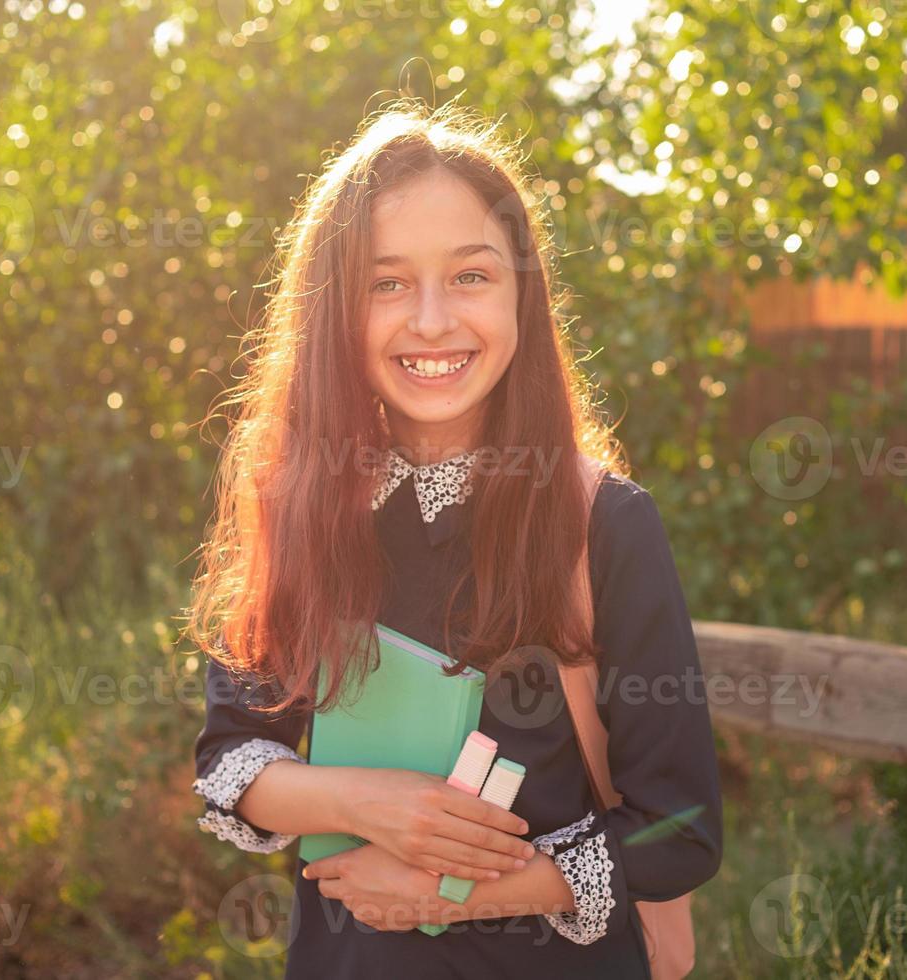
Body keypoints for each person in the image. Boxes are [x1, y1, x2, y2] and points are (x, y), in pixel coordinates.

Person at [183, 101, 722, 979]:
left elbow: (683, 829)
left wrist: (457, 889)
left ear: (522, 294)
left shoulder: (606, 523)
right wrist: (370, 803)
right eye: (386, 283)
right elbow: (231, 758)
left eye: (470, 276)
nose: (432, 321)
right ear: (334, 311)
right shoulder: (299, 502)